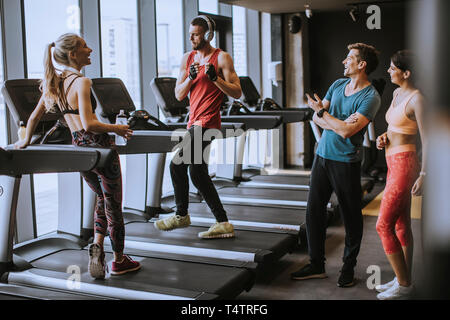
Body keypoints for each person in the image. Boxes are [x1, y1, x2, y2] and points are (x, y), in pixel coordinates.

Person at [14, 33, 141, 279]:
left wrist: (25, 140)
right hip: (100, 149)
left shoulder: (55, 82)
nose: (90, 50)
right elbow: (90, 124)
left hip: (80, 151)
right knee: (113, 205)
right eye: (85, 47)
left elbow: (34, 117)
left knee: (101, 200)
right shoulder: (82, 82)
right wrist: (118, 128)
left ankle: (97, 244)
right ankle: (118, 260)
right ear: (73, 54)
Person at [291, 43, 381, 287]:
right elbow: (320, 120)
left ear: (361, 65)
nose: (344, 61)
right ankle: (316, 264)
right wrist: (335, 121)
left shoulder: (370, 97)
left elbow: (345, 131)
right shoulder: (338, 85)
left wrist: (329, 118)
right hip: (322, 156)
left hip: (346, 163)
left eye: (349, 58)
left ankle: (348, 268)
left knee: (351, 217)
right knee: (313, 211)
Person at [154, 16, 242, 239]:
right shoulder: (188, 58)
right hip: (193, 121)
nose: (191, 37)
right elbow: (178, 94)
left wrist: (216, 79)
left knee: (176, 164)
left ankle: (181, 214)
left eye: (196, 34)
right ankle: (222, 222)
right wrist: (191, 78)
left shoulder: (221, 57)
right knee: (198, 172)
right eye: (190, 34)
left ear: (208, 35)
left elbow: (237, 92)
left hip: (208, 122)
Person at [374, 50, 426, 300]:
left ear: (406, 73)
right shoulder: (396, 93)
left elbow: (430, 140)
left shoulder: (418, 100)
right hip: (393, 162)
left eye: (393, 68)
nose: (388, 71)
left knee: (383, 225)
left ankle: (405, 286)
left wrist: (424, 174)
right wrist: (385, 137)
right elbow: (395, 126)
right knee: (401, 224)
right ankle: (403, 278)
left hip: (406, 165)